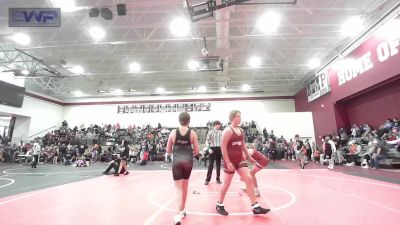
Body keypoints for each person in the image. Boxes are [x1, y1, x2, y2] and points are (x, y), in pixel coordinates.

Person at [216, 110, 270, 216]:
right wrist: (228, 162)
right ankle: (219, 204)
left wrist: (249, 157)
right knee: (226, 184)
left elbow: (243, 145)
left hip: (240, 159)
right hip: (230, 161)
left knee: (248, 179)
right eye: (237, 117)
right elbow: (223, 147)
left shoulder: (241, 130)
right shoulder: (228, 131)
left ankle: (255, 206)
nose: (240, 118)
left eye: (240, 116)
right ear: (232, 118)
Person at [166, 112, 199, 225]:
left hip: (177, 161)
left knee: (177, 188)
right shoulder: (193, 133)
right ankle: (183, 210)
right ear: (189, 121)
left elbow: (168, 150)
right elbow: (197, 151)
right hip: (188, 162)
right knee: (185, 186)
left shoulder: (173, 133)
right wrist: (188, 151)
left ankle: (177, 216)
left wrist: (176, 151)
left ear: (179, 120)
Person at [205, 120, 223, 185]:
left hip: (219, 148)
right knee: (210, 165)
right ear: (215, 125)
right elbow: (207, 141)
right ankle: (207, 179)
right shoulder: (210, 132)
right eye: (219, 124)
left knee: (218, 165)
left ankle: (218, 178)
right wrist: (208, 148)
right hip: (212, 149)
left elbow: (223, 141)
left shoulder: (222, 132)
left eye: (220, 125)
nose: (220, 126)